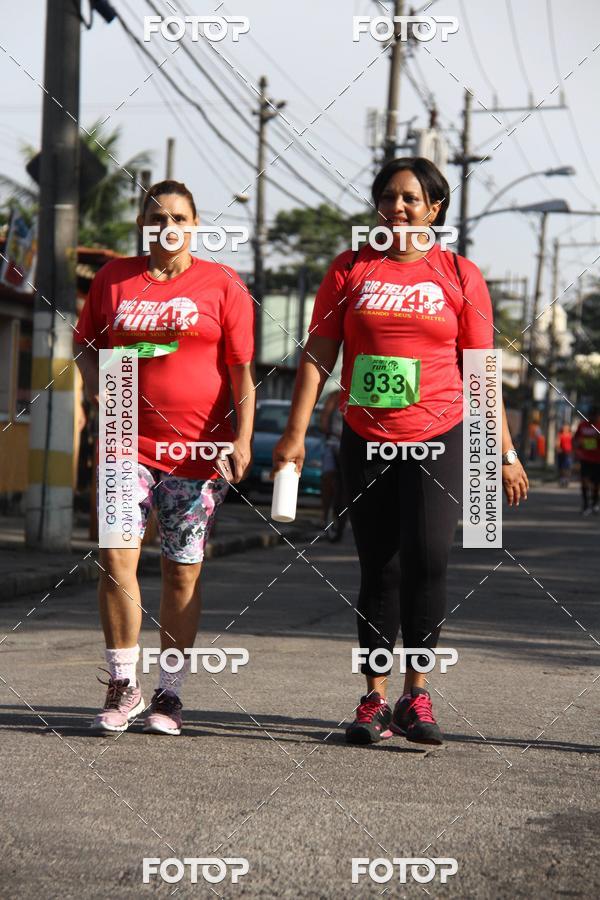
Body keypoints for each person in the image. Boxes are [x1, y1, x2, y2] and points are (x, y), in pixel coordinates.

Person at [272, 157, 528, 747]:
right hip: (366, 436)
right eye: (388, 196)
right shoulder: (349, 269)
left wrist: (506, 452)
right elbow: (317, 358)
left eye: (411, 198)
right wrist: (294, 436)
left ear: (435, 208)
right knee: (378, 568)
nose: (398, 207)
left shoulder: (460, 275)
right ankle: (374, 697)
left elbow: (481, 370)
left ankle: (417, 694)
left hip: (438, 433)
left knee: (428, 559)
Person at [73, 180, 255, 735]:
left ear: (195, 225)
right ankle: (122, 685)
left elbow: (242, 370)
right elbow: (86, 346)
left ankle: (169, 696)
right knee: (116, 558)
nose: (167, 225)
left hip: (199, 451)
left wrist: (243, 439)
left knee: (181, 572)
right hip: (125, 441)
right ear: (143, 227)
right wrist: (93, 390)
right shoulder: (113, 280)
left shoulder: (222, 284)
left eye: (179, 216)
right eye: (156, 218)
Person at [319, 387, 346, 540]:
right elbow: (324, 420)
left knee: (348, 484)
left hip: (349, 445)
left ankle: (343, 517)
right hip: (333, 442)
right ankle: (324, 514)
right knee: (327, 476)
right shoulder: (334, 397)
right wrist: (327, 429)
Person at [573, 410, 600, 515]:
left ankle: (595, 504)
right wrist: (578, 447)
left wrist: (589, 441)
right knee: (584, 481)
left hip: (598, 460)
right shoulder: (582, 425)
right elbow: (576, 440)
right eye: (591, 416)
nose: (593, 418)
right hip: (585, 459)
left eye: (596, 416)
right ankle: (585, 505)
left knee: (596, 485)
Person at [556, 423, 573, 487]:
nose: (565, 428)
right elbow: (557, 442)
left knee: (568, 467)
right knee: (561, 467)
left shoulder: (571, 435)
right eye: (564, 427)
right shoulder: (560, 435)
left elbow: (573, 443)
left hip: (569, 453)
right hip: (562, 453)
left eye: (566, 427)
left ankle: (566, 479)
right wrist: (558, 448)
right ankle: (562, 479)